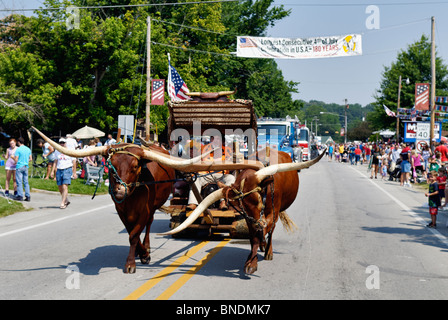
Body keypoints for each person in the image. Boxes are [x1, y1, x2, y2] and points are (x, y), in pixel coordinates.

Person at [186, 135, 235, 211]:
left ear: (222, 142)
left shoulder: (227, 150)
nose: (215, 141)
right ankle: (193, 203)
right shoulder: (203, 149)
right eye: (213, 139)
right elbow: (195, 157)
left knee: (231, 178)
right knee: (195, 179)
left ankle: (223, 202)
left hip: (221, 176)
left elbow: (232, 162)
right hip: (205, 175)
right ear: (211, 140)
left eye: (218, 139)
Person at [54, 138, 73, 209]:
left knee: (65, 186)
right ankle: (66, 200)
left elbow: (74, 161)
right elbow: (55, 161)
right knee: (60, 187)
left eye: (63, 143)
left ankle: (62, 202)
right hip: (59, 169)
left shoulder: (69, 150)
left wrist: (74, 172)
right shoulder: (57, 150)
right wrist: (53, 171)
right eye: (60, 143)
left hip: (67, 169)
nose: (62, 144)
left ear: (66, 143)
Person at [13, 137, 32, 201]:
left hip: (19, 166)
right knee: (26, 182)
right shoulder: (28, 149)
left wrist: (13, 158)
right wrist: (25, 161)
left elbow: (16, 159)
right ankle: (28, 196)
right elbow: (30, 159)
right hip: (26, 166)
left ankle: (20, 196)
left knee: (19, 182)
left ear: (18, 142)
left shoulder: (18, 149)